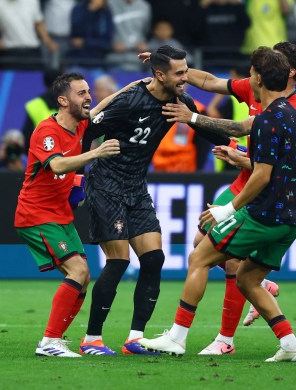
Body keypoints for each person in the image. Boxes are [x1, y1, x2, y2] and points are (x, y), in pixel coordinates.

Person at [138, 47, 296, 363]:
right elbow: (249, 135)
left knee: (199, 257)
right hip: (292, 217)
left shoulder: (270, 120)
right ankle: (290, 344)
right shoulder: (288, 114)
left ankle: (177, 336)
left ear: (258, 78)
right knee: (247, 278)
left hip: (263, 213)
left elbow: (261, 176)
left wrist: (229, 209)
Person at [79, 45, 234, 356]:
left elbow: (214, 134)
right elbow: (88, 130)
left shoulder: (180, 100)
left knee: (153, 259)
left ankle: (135, 339)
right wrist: (78, 173)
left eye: (186, 70)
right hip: (106, 182)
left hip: (136, 185)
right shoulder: (129, 99)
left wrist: (193, 121)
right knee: (120, 260)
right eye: (179, 73)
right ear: (160, 75)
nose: (185, 77)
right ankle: (91, 339)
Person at [15, 72, 141, 358]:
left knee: (82, 279)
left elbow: (102, 106)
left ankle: (55, 340)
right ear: (63, 100)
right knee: (79, 271)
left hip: (60, 216)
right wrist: (96, 154)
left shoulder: (81, 125)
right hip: (36, 215)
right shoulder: (46, 131)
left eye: (88, 92)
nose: (88, 97)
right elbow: (57, 165)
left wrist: (134, 86)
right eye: (81, 93)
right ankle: (49, 341)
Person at [22, 69, 61, 153]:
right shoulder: (70, 105)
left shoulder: (34, 105)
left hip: (40, 159)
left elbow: (27, 139)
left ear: (44, 83)